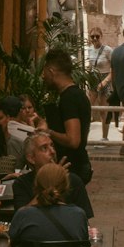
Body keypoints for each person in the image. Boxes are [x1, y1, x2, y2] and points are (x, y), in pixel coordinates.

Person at [12, 130, 94, 217]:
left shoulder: (73, 180)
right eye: (44, 148)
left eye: (52, 146)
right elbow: (21, 217)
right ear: (31, 158)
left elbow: (84, 221)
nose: (52, 151)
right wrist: (53, 183)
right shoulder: (21, 183)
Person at [42, 47, 93, 185]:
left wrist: (48, 132)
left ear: (51, 71)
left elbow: (73, 140)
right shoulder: (74, 95)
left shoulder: (69, 98)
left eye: (45, 71)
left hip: (72, 168)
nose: (43, 76)